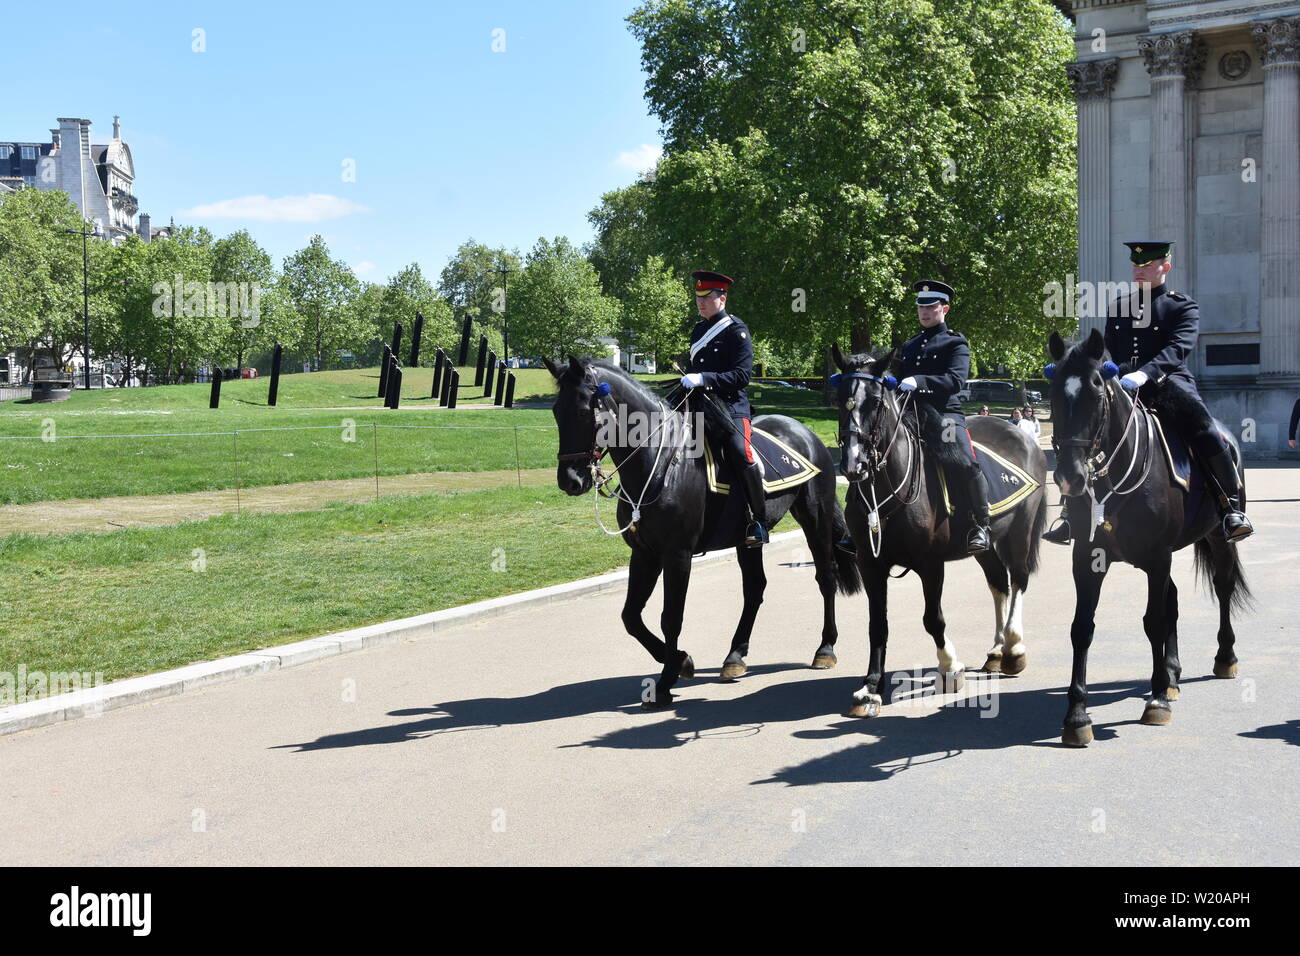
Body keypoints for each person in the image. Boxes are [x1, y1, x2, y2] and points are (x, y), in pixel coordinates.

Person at [1043, 240, 1252, 545]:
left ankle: (1230, 508)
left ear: (1164, 267)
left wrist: (1147, 373)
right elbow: (1107, 350)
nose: (1139, 271)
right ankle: (1070, 514)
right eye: (1136, 266)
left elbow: (1179, 347)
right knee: (1083, 435)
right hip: (1124, 385)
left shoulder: (1182, 305)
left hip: (1169, 384)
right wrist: (1081, 369)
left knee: (1207, 431)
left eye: (1146, 266)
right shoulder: (1119, 306)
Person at [898, 279, 991, 553]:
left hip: (944, 415)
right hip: (909, 413)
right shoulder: (911, 344)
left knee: (963, 462)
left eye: (931, 306)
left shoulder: (955, 343)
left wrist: (920, 380)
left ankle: (980, 524)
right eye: (920, 307)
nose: (924, 312)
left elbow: (955, 380)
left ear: (944, 309)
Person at [679, 270, 768, 547]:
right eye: (697, 297)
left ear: (722, 298)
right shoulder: (698, 330)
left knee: (742, 454)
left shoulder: (735, 330)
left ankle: (758, 520)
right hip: (698, 405)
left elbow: (742, 376)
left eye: (706, 297)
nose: (700, 302)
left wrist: (705, 378)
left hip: (729, 408)